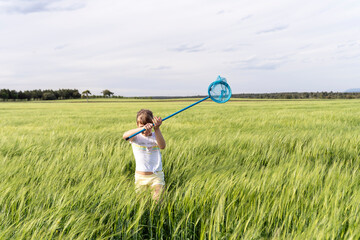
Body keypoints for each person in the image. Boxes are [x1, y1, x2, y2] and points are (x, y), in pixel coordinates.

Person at [123, 109, 166, 201]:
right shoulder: (135, 137)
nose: (146, 130)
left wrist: (157, 128)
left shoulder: (155, 136)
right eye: (142, 126)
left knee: (158, 201)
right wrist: (142, 128)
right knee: (141, 203)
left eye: (149, 127)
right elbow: (125, 136)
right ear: (137, 125)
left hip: (156, 176)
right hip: (140, 177)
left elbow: (162, 146)